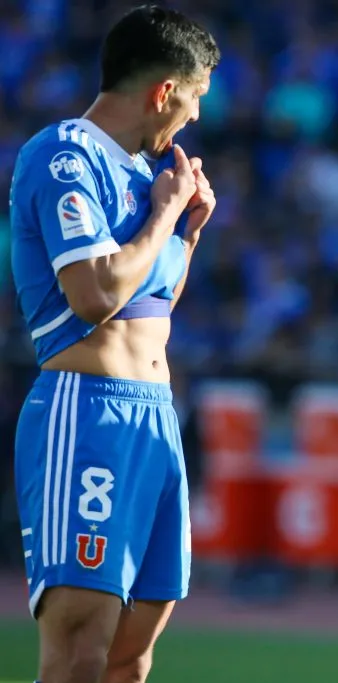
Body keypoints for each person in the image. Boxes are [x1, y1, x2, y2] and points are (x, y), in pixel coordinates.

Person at [10, 6, 218, 683]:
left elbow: (148, 309)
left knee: (129, 658)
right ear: (164, 91)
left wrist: (186, 232)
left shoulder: (141, 173)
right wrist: (163, 215)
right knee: (77, 653)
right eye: (192, 100)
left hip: (156, 416)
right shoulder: (64, 154)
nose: (192, 119)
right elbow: (95, 296)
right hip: (88, 412)